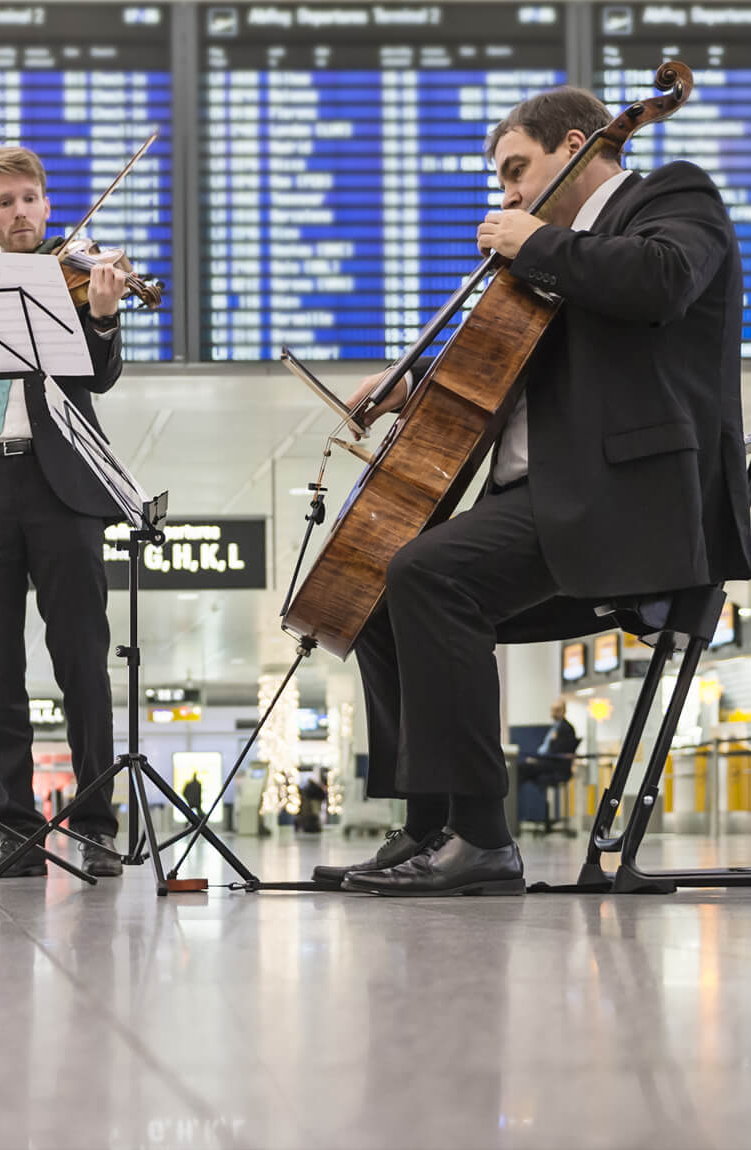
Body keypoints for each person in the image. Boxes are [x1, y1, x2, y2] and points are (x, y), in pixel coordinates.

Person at [315, 87, 751, 897]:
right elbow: (520, 373)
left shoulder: (671, 197)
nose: (507, 193)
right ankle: (429, 826)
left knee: (429, 572)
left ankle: (483, 841)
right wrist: (424, 384)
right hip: (547, 504)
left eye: (517, 170)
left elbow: (663, 281)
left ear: (578, 145)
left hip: (629, 504)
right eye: (503, 181)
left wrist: (538, 240)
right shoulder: (555, 260)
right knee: (376, 591)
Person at [0, 144, 128, 880]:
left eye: (30, 199)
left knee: (82, 663)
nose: (19, 212)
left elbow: (97, 378)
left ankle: (98, 825)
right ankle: (18, 829)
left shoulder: (78, 276)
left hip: (63, 489)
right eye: (3, 202)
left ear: (47, 205)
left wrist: (102, 318)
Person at [517, 698, 580, 787]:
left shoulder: (566, 728)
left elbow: (558, 751)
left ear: (564, 711)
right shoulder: (555, 727)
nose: (554, 712)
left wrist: (538, 760)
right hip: (546, 760)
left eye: (557, 710)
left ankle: (512, 797)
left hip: (555, 765)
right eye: (553, 710)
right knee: (520, 768)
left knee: (521, 769)